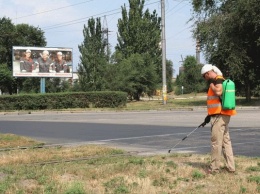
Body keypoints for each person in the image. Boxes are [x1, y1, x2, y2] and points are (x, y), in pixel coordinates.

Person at [201, 64, 236, 174]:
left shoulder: (217, 80)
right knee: (226, 142)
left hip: (219, 116)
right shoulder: (220, 79)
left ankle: (214, 169)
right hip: (223, 115)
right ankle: (231, 167)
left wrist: (211, 85)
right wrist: (208, 116)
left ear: (207, 73)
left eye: (204, 76)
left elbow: (218, 92)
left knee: (216, 142)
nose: (205, 79)